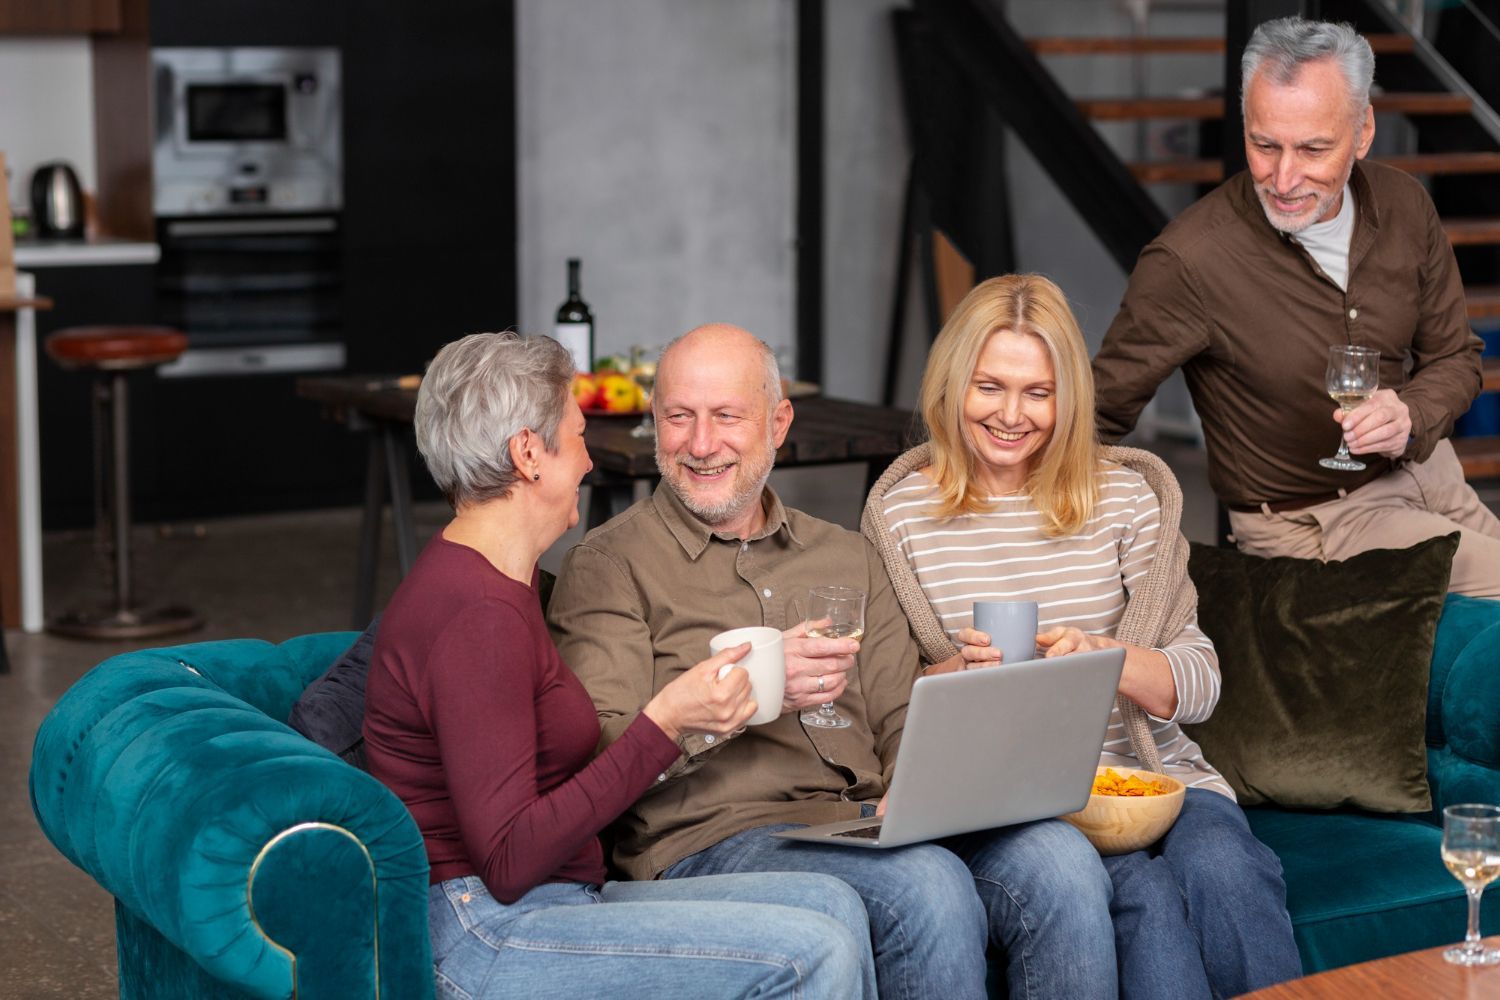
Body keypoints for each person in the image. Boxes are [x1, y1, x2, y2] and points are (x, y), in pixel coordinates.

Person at [549, 322, 1118, 1000]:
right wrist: (750, 692)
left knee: (1063, 861)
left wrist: (950, 774)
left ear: (778, 422)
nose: (701, 445)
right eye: (679, 418)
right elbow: (597, 759)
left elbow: (901, 715)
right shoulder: (610, 565)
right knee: (925, 887)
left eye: (727, 416)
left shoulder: (845, 554)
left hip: (866, 821)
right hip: (713, 838)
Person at [362, 332, 877, 999]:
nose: (587, 461)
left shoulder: (500, 580)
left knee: (834, 906)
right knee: (812, 949)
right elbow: (509, 860)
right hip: (481, 931)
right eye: (577, 436)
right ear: (528, 454)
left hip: (553, 900)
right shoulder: (477, 614)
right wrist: (665, 724)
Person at [862, 273, 1302, 999]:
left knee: (1228, 871)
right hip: (1026, 802)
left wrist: (1107, 660)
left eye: (1038, 392)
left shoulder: (1124, 496)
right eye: (989, 386)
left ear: (1069, 397)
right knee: (1144, 906)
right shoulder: (902, 516)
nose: (1011, 415)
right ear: (950, 387)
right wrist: (945, 676)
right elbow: (882, 700)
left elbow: (1199, 682)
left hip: (1162, 780)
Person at [1092, 16, 1500, 597]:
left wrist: (1410, 416)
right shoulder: (1189, 260)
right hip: (1317, 523)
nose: (1283, 178)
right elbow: (1098, 411)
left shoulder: (1406, 206)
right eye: (1264, 144)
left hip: (1434, 475)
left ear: (1362, 132)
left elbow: (1457, 359)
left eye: (1313, 148)